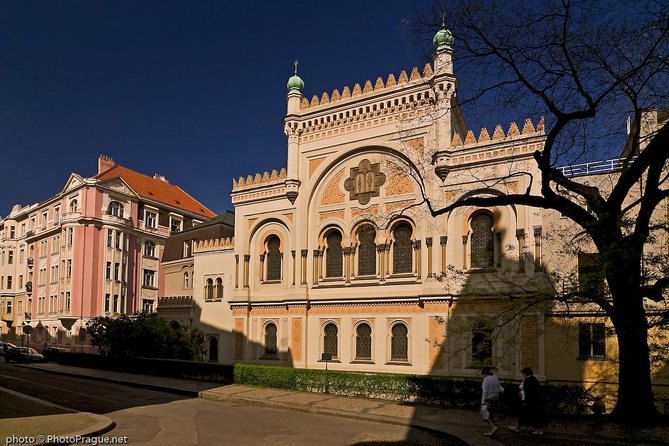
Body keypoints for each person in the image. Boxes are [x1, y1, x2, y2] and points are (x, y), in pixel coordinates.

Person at [509, 367, 545, 435]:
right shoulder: (532, 379)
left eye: (523, 373)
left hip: (529, 402)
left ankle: (538, 430)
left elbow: (528, 392)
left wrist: (525, 401)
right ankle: (518, 427)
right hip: (532, 401)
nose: (522, 374)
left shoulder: (528, 380)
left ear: (525, 373)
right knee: (525, 414)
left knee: (528, 415)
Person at [480, 366, 504, 436]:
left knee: (485, 415)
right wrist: (505, 392)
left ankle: (493, 427)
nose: (482, 376)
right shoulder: (495, 377)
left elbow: (485, 392)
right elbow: (499, 388)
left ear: (484, 373)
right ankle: (491, 430)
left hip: (489, 399)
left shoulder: (486, 380)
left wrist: (483, 402)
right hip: (496, 398)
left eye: (482, 374)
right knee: (491, 414)